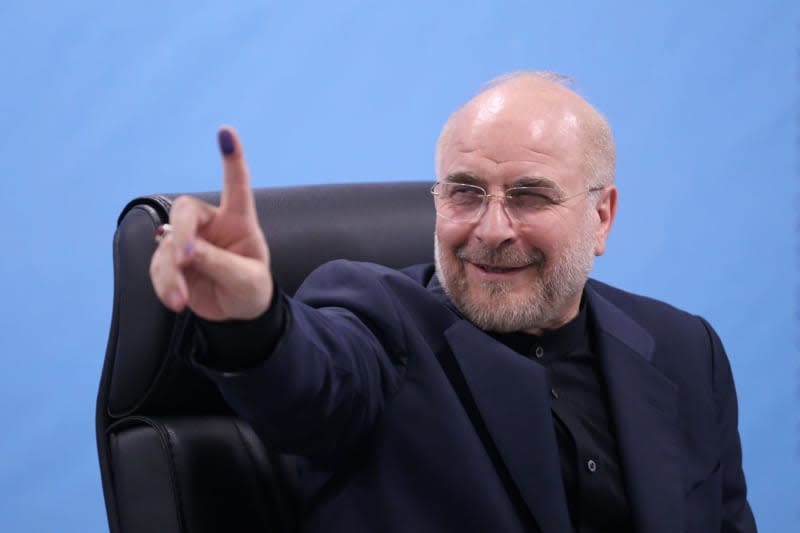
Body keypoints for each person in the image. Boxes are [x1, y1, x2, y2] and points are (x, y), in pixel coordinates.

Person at [149, 71, 757, 532]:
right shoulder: (378, 318)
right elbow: (309, 381)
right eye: (465, 193)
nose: (491, 229)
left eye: (530, 196)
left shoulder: (684, 350)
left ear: (601, 217)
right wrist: (252, 319)